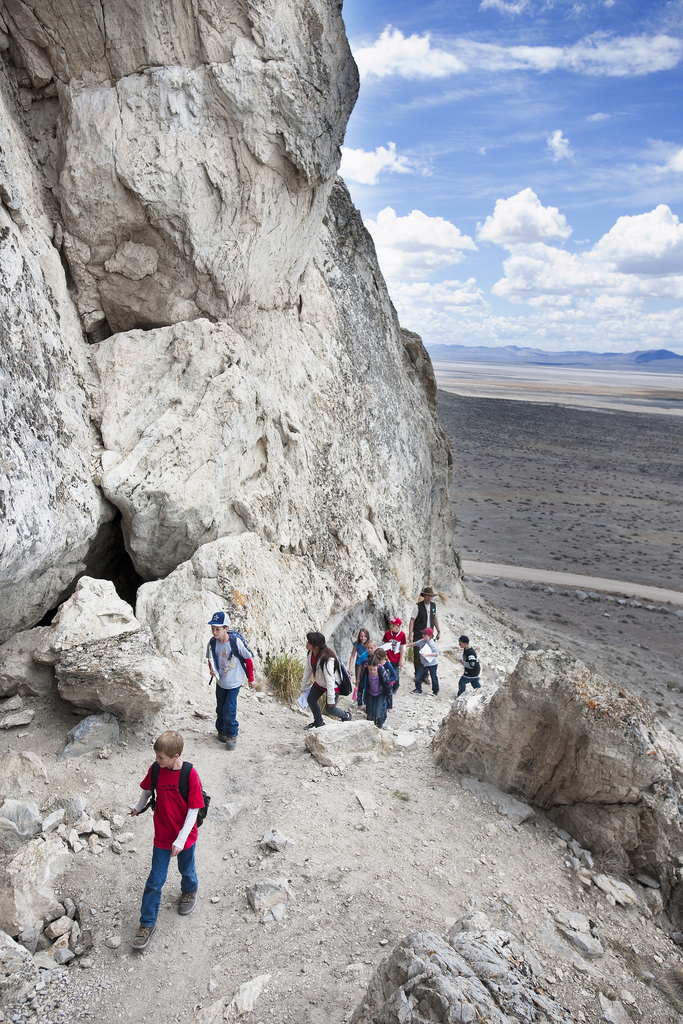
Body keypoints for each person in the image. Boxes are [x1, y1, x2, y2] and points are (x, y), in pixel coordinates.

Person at [130, 731, 204, 951]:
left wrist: (181, 840)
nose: (156, 760)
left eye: (161, 757)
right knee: (155, 879)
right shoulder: (156, 770)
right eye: (156, 756)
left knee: (186, 868)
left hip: (184, 837)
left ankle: (190, 890)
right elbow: (147, 791)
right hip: (162, 835)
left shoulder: (190, 774)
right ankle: (147, 923)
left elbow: (194, 810)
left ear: (175, 756)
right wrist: (137, 807)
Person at [206, 610, 254, 750]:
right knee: (220, 707)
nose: (214, 632)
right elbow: (210, 658)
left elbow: (248, 659)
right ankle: (221, 730)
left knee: (229, 709)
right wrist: (211, 669)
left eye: (218, 629)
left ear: (226, 628)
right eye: (213, 629)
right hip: (221, 681)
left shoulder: (235, 642)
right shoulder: (212, 643)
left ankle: (232, 734)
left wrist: (251, 679)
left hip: (234, 682)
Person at [302, 631, 352, 729]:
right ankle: (318, 722)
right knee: (311, 700)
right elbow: (307, 671)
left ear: (316, 646)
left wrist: (330, 699)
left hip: (333, 685)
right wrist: (303, 687)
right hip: (320, 683)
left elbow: (330, 681)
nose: (306, 643)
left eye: (309, 642)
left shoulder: (327, 659)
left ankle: (346, 716)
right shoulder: (310, 654)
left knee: (330, 709)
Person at [408, 587, 440, 679]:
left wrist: (439, 631)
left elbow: (436, 619)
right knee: (418, 655)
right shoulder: (418, 606)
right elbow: (412, 621)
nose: (430, 598)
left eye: (431, 596)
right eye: (428, 596)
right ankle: (417, 675)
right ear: (424, 596)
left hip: (430, 635)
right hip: (419, 633)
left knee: (428, 654)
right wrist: (410, 634)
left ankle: (425, 675)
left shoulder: (434, 606)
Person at [359, 650, 392, 729]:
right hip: (370, 692)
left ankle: (380, 726)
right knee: (369, 715)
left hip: (380, 693)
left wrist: (389, 704)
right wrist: (359, 701)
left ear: (377, 666)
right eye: (370, 669)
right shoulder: (365, 670)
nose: (372, 671)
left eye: (374, 669)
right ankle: (370, 728)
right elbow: (361, 684)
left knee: (378, 713)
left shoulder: (382, 672)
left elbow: (388, 687)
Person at [405, 626, 439, 695]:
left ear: (429, 636)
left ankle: (435, 691)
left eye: (425, 634)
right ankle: (418, 689)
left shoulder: (432, 643)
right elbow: (415, 643)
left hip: (432, 664)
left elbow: (436, 653)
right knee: (418, 675)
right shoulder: (422, 641)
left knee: (434, 677)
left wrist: (427, 655)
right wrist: (406, 646)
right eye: (423, 633)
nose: (422, 635)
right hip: (423, 663)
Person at [382, 617, 406, 695]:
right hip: (388, 657)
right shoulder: (388, 633)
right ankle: (387, 687)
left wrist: (401, 659)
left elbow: (402, 647)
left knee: (395, 674)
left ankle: (395, 687)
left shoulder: (402, 635)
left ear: (398, 626)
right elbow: (385, 643)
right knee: (386, 672)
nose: (391, 627)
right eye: (391, 625)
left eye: (393, 625)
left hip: (396, 658)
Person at [348, 627, 369, 703]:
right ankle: (356, 699)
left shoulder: (369, 645)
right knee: (358, 681)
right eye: (361, 636)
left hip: (367, 666)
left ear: (367, 636)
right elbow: (352, 655)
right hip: (358, 665)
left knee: (366, 681)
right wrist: (350, 668)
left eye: (364, 636)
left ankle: (365, 698)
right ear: (359, 636)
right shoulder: (356, 644)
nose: (363, 638)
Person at [356, 638, 378, 709]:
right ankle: (366, 703)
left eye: (371, 648)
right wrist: (358, 677)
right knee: (365, 689)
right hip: (365, 677)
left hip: (375, 677)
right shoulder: (363, 655)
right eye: (368, 648)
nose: (370, 650)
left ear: (375, 648)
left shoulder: (377, 656)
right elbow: (359, 666)